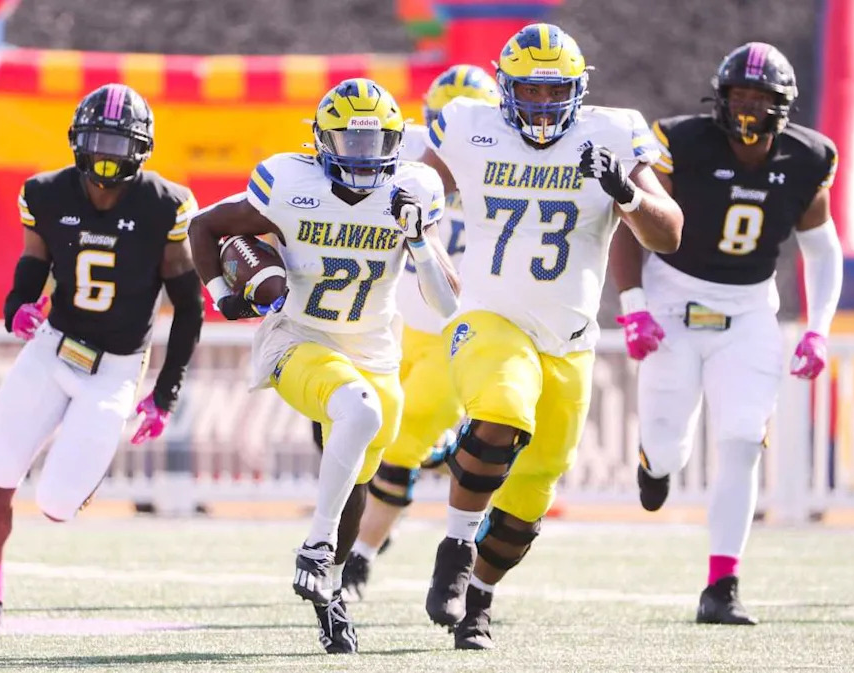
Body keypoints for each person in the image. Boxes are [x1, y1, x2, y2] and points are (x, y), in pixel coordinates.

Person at [419, 24, 684, 649]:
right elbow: (413, 195)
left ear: (578, 90)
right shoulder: (470, 126)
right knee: (503, 407)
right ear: (505, 87)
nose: (542, 104)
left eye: (554, 91)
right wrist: (426, 248)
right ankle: (454, 549)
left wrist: (626, 194)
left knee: (535, 486)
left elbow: (670, 233)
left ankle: (479, 600)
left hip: (569, 338)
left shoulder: (613, 133)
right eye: (530, 91)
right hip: (490, 317)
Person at [187, 78, 458, 654]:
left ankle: (331, 594)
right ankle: (314, 547)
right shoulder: (291, 181)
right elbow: (203, 225)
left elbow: (446, 304)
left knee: (359, 478)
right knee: (358, 412)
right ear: (321, 140)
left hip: (373, 351)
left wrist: (418, 240)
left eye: (374, 142)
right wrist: (222, 293)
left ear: (394, 142)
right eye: (349, 141)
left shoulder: (413, 188)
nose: (362, 155)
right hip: (298, 336)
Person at [0, 84, 204, 628]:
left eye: (119, 143)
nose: (107, 155)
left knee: (57, 505)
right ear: (77, 140)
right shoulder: (46, 193)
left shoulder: (165, 205)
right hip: (52, 352)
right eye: (99, 141)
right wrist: (17, 307)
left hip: (115, 370)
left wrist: (165, 393)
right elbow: (32, 266)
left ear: (141, 149)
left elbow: (188, 306)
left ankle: (84, 471)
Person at [609, 42, 842, 625]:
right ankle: (655, 464)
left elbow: (823, 250)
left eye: (759, 98)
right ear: (719, 96)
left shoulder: (808, 156)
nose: (747, 107)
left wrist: (819, 329)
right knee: (670, 448)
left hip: (748, 309)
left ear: (782, 105)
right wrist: (634, 306)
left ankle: (722, 584)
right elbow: (631, 221)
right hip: (673, 299)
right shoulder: (680, 141)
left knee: (742, 438)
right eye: (738, 94)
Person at [340, 64, 500, 603]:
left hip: (453, 331)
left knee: (402, 444)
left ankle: (359, 558)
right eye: (439, 122)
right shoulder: (403, 143)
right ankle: (368, 528)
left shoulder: (506, 159)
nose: (448, 138)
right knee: (356, 431)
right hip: (387, 319)